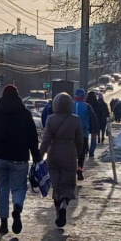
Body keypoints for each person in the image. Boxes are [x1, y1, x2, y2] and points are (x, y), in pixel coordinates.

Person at [0, 84, 40, 236]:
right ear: (18, 96)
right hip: (19, 158)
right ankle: (17, 210)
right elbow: (33, 137)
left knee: (2, 189)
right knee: (19, 187)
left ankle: (3, 224)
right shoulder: (25, 114)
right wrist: (37, 158)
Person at [40, 92, 84, 228]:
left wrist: (40, 155)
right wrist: (79, 152)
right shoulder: (75, 119)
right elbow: (80, 140)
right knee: (68, 184)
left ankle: (58, 211)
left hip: (53, 155)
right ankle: (64, 206)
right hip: (69, 155)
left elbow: (46, 139)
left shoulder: (51, 119)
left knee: (56, 185)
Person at [73, 89, 99, 172]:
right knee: (82, 151)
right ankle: (80, 167)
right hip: (84, 132)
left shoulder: (70, 105)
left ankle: (72, 166)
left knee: (71, 150)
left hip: (71, 131)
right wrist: (94, 129)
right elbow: (93, 118)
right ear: (83, 96)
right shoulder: (87, 106)